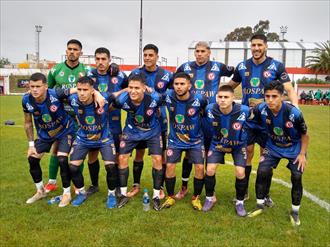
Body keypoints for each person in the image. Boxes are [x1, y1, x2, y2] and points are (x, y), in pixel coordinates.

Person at [228, 34, 298, 205]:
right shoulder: (242, 66)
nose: (256, 48)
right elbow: (230, 85)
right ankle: (243, 193)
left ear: (266, 46)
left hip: (269, 121)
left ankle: (265, 194)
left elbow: (289, 89)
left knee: (265, 157)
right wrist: (217, 95)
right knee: (247, 154)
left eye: (260, 45)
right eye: (253, 45)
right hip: (248, 120)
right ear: (250, 47)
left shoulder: (276, 66)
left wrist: (295, 108)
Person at [46, 39, 119, 194]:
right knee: (57, 148)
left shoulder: (87, 71)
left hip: (84, 117)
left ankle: (78, 184)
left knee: (85, 149)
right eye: (69, 49)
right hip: (62, 116)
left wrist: (99, 91)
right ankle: (52, 181)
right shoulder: (55, 70)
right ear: (66, 51)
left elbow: (92, 86)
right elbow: (49, 91)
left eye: (75, 49)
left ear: (80, 52)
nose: (72, 52)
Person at [175, 41, 234, 199]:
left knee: (209, 153)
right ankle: (184, 187)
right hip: (191, 117)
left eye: (203, 51)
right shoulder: (185, 67)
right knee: (188, 153)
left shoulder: (218, 66)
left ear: (209, 52)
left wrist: (226, 89)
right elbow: (173, 83)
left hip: (211, 118)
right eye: (197, 51)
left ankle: (209, 189)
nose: (199, 54)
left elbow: (239, 73)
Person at [247, 80, 309, 226]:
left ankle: (294, 212)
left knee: (297, 175)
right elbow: (249, 121)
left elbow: (305, 134)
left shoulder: (294, 113)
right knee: (262, 171)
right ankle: (260, 205)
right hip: (273, 147)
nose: (270, 100)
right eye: (267, 96)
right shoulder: (261, 109)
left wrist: (302, 154)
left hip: (294, 148)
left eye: (274, 96)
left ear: (282, 96)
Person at [67, 76, 122, 207]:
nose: (81, 93)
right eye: (79, 89)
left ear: (92, 90)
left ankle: (111, 194)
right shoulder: (72, 100)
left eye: (85, 90)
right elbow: (52, 95)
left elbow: (119, 95)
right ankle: (81, 193)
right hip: (83, 138)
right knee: (73, 167)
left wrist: (99, 95)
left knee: (111, 166)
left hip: (104, 139)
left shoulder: (104, 99)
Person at [22, 72, 75, 207]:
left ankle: (66, 193)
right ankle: (40, 191)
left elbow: (75, 89)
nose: (34, 89)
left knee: (62, 159)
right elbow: (28, 123)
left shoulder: (56, 94)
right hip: (45, 134)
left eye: (38, 86)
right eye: (32, 86)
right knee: (32, 158)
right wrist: (31, 145)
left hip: (65, 130)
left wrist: (96, 94)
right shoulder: (26, 100)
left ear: (45, 86)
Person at [127, 44, 172, 199]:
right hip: (138, 123)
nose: (147, 58)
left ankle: (160, 187)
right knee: (138, 154)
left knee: (161, 155)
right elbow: (126, 90)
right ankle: (136, 185)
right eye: (145, 55)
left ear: (157, 57)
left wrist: (158, 95)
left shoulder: (166, 75)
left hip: (159, 121)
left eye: (150, 55)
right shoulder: (135, 73)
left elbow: (174, 92)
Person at [114, 74, 164, 211]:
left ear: (144, 88)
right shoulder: (122, 100)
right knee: (122, 158)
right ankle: (123, 194)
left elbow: (162, 100)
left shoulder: (154, 99)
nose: (133, 91)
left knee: (157, 159)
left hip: (152, 131)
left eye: (137, 88)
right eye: (130, 87)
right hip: (131, 131)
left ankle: (156, 196)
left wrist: (152, 90)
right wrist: (122, 91)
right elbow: (109, 100)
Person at [161, 72, 207, 211]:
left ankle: (196, 198)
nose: (179, 87)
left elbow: (205, 114)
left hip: (195, 140)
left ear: (189, 85)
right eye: (176, 84)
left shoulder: (200, 99)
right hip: (175, 140)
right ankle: (170, 196)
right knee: (169, 167)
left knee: (199, 168)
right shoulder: (168, 96)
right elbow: (152, 98)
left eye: (182, 84)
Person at [87, 47, 128, 197]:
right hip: (94, 122)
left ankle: (117, 185)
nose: (100, 62)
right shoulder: (89, 75)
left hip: (114, 122)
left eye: (103, 59)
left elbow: (130, 89)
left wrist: (118, 101)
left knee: (116, 155)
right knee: (92, 155)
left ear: (110, 60)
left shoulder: (120, 75)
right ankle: (94, 184)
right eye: (97, 59)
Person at [203, 85, 250, 216]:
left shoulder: (244, 111)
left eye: (226, 97)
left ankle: (240, 202)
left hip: (238, 146)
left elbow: (255, 125)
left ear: (233, 98)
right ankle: (210, 198)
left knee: (240, 172)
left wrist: (245, 139)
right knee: (210, 170)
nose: (222, 100)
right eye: (220, 97)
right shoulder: (210, 109)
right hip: (217, 144)